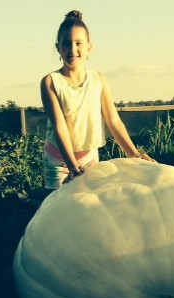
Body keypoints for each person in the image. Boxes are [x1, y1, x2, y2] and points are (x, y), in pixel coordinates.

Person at [40, 10, 155, 189]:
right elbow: (59, 126)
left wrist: (135, 155)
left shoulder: (98, 79)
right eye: (66, 43)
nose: (72, 49)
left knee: (89, 203)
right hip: (60, 162)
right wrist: (72, 166)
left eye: (78, 43)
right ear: (58, 47)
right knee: (58, 205)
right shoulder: (50, 82)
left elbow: (113, 120)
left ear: (89, 47)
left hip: (90, 158)